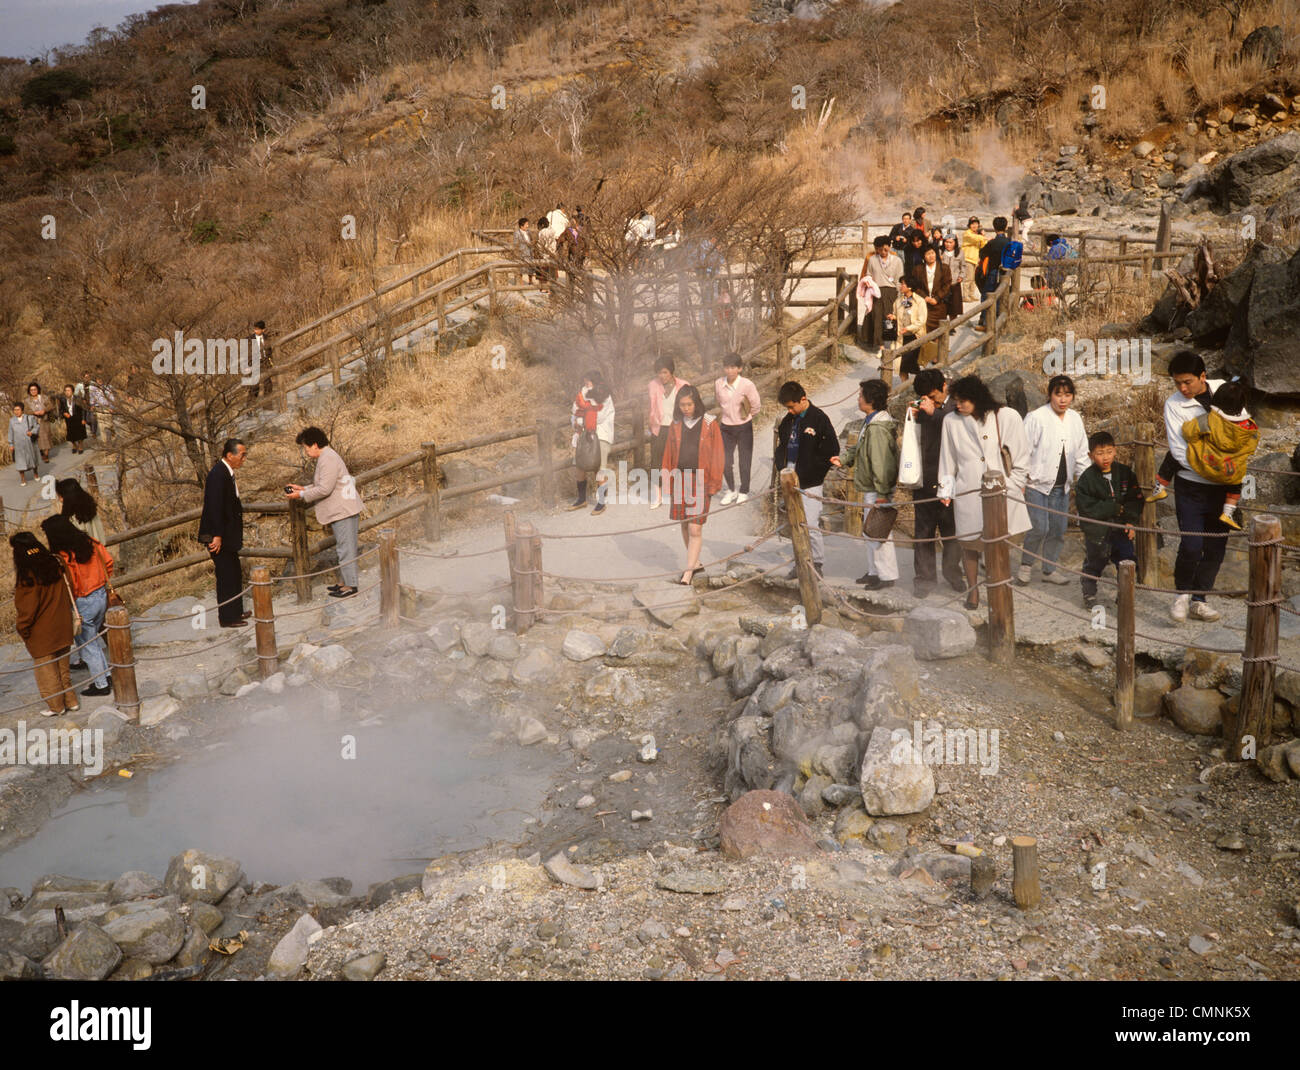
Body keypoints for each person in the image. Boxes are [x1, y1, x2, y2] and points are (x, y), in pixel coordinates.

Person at [937, 374, 1031, 609]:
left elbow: (1021, 453)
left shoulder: (1005, 416)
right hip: (967, 488)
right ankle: (973, 591)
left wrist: (1014, 483)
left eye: (963, 400)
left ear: (977, 398)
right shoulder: (951, 421)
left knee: (998, 543)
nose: (958, 405)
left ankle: (999, 589)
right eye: (956, 400)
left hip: (1000, 489)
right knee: (969, 543)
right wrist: (946, 491)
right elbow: (947, 459)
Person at [1160, 351, 1228, 622]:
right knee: (1191, 544)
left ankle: (1200, 600)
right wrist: (1217, 459)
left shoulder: (1223, 389)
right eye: (1177, 383)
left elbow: (1241, 428)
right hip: (1191, 485)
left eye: (1187, 382)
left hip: (1222, 485)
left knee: (1216, 545)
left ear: (1203, 376)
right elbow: (1179, 450)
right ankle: (1182, 594)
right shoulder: (1173, 405)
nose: (1182, 389)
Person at [1020, 375, 1090, 585]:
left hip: (1062, 485)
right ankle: (1025, 565)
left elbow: (1081, 453)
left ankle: (1049, 570)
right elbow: (1023, 451)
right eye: (1058, 394)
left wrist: (1085, 481)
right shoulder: (1036, 418)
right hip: (1036, 483)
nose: (1062, 399)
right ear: (1049, 395)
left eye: (1067, 395)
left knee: (1058, 528)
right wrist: (1021, 480)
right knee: (1039, 527)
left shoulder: (1075, 419)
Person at [832, 379, 899, 590]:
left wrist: (882, 492)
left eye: (860, 395)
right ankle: (873, 571)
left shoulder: (878, 427)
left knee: (878, 533)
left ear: (870, 400)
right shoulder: (871, 421)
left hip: (876, 487)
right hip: (871, 485)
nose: (858, 398)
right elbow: (860, 446)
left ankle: (886, 575)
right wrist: (843, 459)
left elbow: (881, 462)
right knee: (870, 531)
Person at [41, 515, 114, 697]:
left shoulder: (64, 556)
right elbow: (109, 562)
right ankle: (107, 675)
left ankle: (101, 684)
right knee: (94, 640)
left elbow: (70, 583)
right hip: (101, 594)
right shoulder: (90, 542)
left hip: (83, 600)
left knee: (87, 645)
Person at [287, 427, 364, 598]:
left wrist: (301, 494)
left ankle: (351, 586)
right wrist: (303, 488)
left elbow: (325, 488)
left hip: (344, 510)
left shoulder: (327, 458)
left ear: (315, 445)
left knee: (346, 548)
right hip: (343, 508)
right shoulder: (327, 456)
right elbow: (324, 484)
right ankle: (345, 581)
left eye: (306, 447)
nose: (306, 451)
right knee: (343, 547)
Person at [660, 384, 724, 585]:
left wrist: (714, 483)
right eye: (682, 405)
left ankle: (688, 572)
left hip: (700, 479)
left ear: (696, 403)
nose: (686, 408)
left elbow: (718, 455)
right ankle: (695, 563)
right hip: (680, 477)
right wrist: (665, 480)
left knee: (696, 528)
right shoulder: (676, 424)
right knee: (685, 524)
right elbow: (668, 454)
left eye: (689, 404)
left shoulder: (709, 423)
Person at [774, 381, 839, 579]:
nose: (790, 411)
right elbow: (782, 446)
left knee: (810, 524)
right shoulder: (788, 420)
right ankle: (800, 561)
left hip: (811, 481)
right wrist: (781, 467)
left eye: (792, 407)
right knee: (795, 524)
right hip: (789, 476)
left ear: (803, 399)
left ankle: (816, 562)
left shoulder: (819, 418)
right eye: (787, 408)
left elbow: (831, 450)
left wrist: (812, 472)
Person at [11, 531, 79, 717]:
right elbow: (70, 586)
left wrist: (22, 628)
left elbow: (27, 610)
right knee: (63, 668)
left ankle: (56, 706)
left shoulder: (28, 575)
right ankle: (71, 701)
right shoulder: (56, 562)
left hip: (41, 632)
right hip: (63, 622)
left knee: (46, 671)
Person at [910, 369, 964, 596]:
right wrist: (913, 415)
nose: (929, 401)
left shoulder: (958, 405)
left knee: (952, 532)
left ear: (944, 386)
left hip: (951, 480)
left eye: (933, 396)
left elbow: (961, 430)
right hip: (925, 478)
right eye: (925, 397)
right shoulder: (926, 406)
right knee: (923, 532)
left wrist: (935, 413)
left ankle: (953, 574)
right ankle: (925, 579)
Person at [1179, 380, 1259, 532]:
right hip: (1230, 473)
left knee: (1174, 456)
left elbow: (1187, 432)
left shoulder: (1209, 420)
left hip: (1206, 466)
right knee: (1237, 481)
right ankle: (1228, 512)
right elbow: (1251, 447)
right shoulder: (1248, 427)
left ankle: (1161, 483)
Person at [1075, 431, 1142, 612]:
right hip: (1098, 531)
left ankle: (1125, 595)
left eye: (1109, 451)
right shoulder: (1086, 480)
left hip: (1121, 528)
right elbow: (1086, 507)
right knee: (1096, 561)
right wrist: (1112, 508)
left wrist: (1130, 521)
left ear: (1115, 451)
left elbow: (1134, 498)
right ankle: (1089, 592)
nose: (1105, 457)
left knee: (1127, 559)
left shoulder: (1125, 473)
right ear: (1090, 455)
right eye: (1099, 453)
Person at [198, 438, 249, 628]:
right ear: (230, 455)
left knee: (234, 573)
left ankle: (235, 610)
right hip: (219, 535)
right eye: (242, 455)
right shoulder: (217, 475)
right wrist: (217, 535)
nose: (244, 458)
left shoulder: (227, 473)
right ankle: (227, 617)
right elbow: (214, 507)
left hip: (228, 535)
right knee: (226, 575)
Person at [715, 353, 761, 505]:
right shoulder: (718, 383)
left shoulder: (747, 384)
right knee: (724, 460)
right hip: (726, 427)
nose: (729, 371)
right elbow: (720, 402)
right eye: (727, 367)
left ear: (740, 369)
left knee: (744, 460)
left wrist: (744, 417)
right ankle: (731, 489)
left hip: (743, 427)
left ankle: (744, 490)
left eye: (733, 367)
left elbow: (756, 406)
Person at [569, 373, 614, 515]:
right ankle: (581, 499)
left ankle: (601, 502)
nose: (586, 385)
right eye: (585, 382)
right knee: (580, 466)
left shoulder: (604, 395)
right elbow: (574, 411)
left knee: (599, 468)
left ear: (596, 382)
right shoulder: (582, 393)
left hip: (600, 434)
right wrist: (577, 419)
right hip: (584, 435)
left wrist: (582, 413)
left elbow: (598, 417)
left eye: (588, 382)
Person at [648, 359, 688, 508]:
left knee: (678, 461)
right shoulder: (653, 385)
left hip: (678, 428)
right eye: (659, 372)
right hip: (659, 428)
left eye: (665, 372)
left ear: (671, 372)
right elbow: (651, 406)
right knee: (656, 462)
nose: (662, 375)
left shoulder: (683, 385)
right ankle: (657, 495)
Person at [858, 235, 904, 354]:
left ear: (889, 247)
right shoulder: (872, 259)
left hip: (891, 292)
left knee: (890, 318)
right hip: (876, 292)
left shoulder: (897, 261)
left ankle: (892, 342)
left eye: (885, 249)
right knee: (877, 318)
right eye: (879, 249)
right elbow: (868, 274)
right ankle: (880, 345)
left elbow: (899, 279)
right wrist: (868, 284)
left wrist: (899, 295)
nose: (882, 252)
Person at [974, 216, 1010, 331]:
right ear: (1006, 227)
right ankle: (999, 320)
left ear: (994, 228)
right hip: (1006, 273)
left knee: (987, 295)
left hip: (993, 272)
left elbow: (982, 254)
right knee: (1001, 295)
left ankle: (985, 321)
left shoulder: (992, 243)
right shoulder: (1009, 242)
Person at [893, 279, 928, 384]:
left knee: (912, 363)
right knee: (901, 364)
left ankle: (920, 384)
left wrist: (908, 328)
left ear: (910, 287)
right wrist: (893, 317)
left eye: (903, 284)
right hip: (901, 337)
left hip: (915, 336)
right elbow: (896, 314)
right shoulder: (898, 301)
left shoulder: (920, 301)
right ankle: (905, 387)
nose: (901, 286)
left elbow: (922, 320)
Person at [56, 478, 107, 546]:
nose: (60, 500)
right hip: (100, 553)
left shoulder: (71, 519)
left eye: (60, 496)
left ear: (68, 497)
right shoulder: (90, 511)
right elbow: (101, 540)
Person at [8, 402, 39, 485]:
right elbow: (10, 433)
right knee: (20, 462)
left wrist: (32, 432)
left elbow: (37, 426)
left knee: (32, 459)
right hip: (18, 445)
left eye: (18, 410)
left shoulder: (29, 418)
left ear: (22, 410)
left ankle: (35, 474)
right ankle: (23, 479)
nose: (16, 412)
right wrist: (11, 444)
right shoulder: (12, 421)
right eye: (14, 410)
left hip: (29, 443)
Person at [24, 382, 53, 463]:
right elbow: (26, 410)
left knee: (46, 437)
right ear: (29, 391)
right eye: (31, 390)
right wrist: (34, 413)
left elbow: (50, 406)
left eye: (35, 389)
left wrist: (44, 410)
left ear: (38, 390)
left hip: (44, 419)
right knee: (37, 438)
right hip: (34, 422)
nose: (33, 391)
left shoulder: (44, 397)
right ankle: (42, 454)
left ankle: (46, 455)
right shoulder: (27, 401)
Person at [961, 218, 986, 303]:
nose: (975, 226)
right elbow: (975, 238)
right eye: (972, 224)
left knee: (974, 278)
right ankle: (965, 295)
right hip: (968, 258)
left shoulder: (977, 235)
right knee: (968, 278)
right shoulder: (967, 233)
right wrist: (982, 237)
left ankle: (971, 294)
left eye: (976, 224)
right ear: (969, 225)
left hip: (975, 259)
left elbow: (983, 245)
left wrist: (982, 237)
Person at [248, 321, 273, 402]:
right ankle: (250, 407)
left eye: (258, 329)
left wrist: (270, 360)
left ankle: (268, 405)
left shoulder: (266, 337)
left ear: (263, 329)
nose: (256, 331)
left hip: (265, 362)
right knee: (254, 386)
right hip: (254, 362)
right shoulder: (249, 339)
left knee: (268, 384)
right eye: (255, 329)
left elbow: (270, 350)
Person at [940, 235, 965, 319]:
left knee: (954, 306)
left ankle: (952, 325)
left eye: (951, 242)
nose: (948, 244)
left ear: (955, 243)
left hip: (955, 282)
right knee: (943, 305)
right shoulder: (941, 252)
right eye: (946, 242)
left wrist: (961, 276)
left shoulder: (960, 252)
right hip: (943, 283)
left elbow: (963, 266)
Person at [58, 385, 88, 455]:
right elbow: (61, 409)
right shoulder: (63, 399)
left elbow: (83, 409)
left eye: (69, 390)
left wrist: (84, 419)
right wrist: (64, 413)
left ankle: (80, 446)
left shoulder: (78, 398)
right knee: (70, 434)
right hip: (69, 418)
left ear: (72, 391)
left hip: (78, 417)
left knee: (80, 432)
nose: (67, 392)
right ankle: (74, 445)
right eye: (65, 391)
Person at [512, 217, 534, 282]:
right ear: (522, 225)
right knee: (521, 269)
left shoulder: (528, 232)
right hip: (522, 252)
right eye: (526, 224)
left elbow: (531, 240)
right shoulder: (517, 233)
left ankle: (530, 281)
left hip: (529, 252)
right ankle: (521, 282)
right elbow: (515, 243)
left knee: (530, 268)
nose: (527, 226)